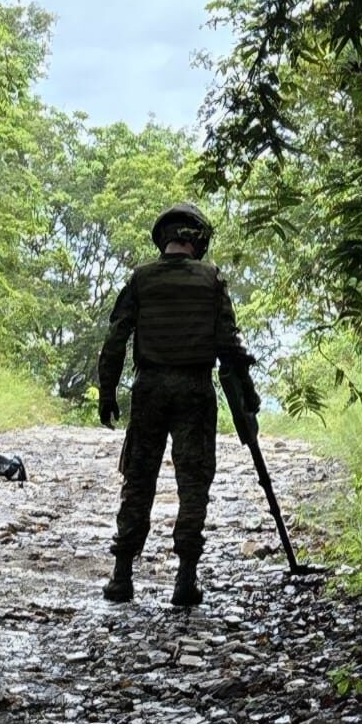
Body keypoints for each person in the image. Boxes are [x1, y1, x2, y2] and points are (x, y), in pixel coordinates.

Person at [96, 202, 258, 607]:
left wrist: (107, 391)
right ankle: (185, 578)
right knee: (193, 483)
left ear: (163, 238)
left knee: (139, 480)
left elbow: (116, 339)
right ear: (197, 240)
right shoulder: (211, 280)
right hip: (194, 390)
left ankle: (122, 577)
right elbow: (228, 344)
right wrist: (247, 393)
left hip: (149, 389)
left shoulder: (141, 280)